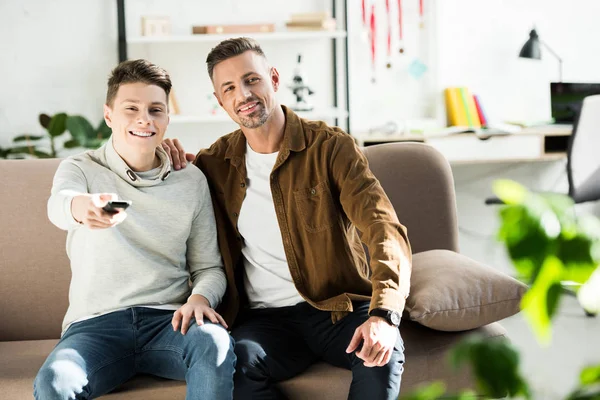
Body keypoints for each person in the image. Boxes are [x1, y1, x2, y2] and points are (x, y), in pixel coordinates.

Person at [164, 37, 412, 400]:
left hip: (338, 308)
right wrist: (160, 151)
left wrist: (384, 316)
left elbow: (383, 228)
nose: (243, 95)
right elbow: (156, 174)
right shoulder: (214, 164)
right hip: (266, 322)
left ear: (274, 79)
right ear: (220, 102)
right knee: (234, 364)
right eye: (230, 88)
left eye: (252, 80)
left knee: (381, 357)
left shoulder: (331, 147)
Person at [35, 59, 236, 400]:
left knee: (214, 342)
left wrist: (200, 298)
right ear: (109, 115)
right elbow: (59, 204)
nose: (145, 119)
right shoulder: (81, 168)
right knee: (55, 381)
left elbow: (209, 267)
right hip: (95, 326)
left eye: (156, 110)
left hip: (170, 322)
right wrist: (81, 208)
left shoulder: (190, 180)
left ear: (167, 119)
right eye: (131, 108)